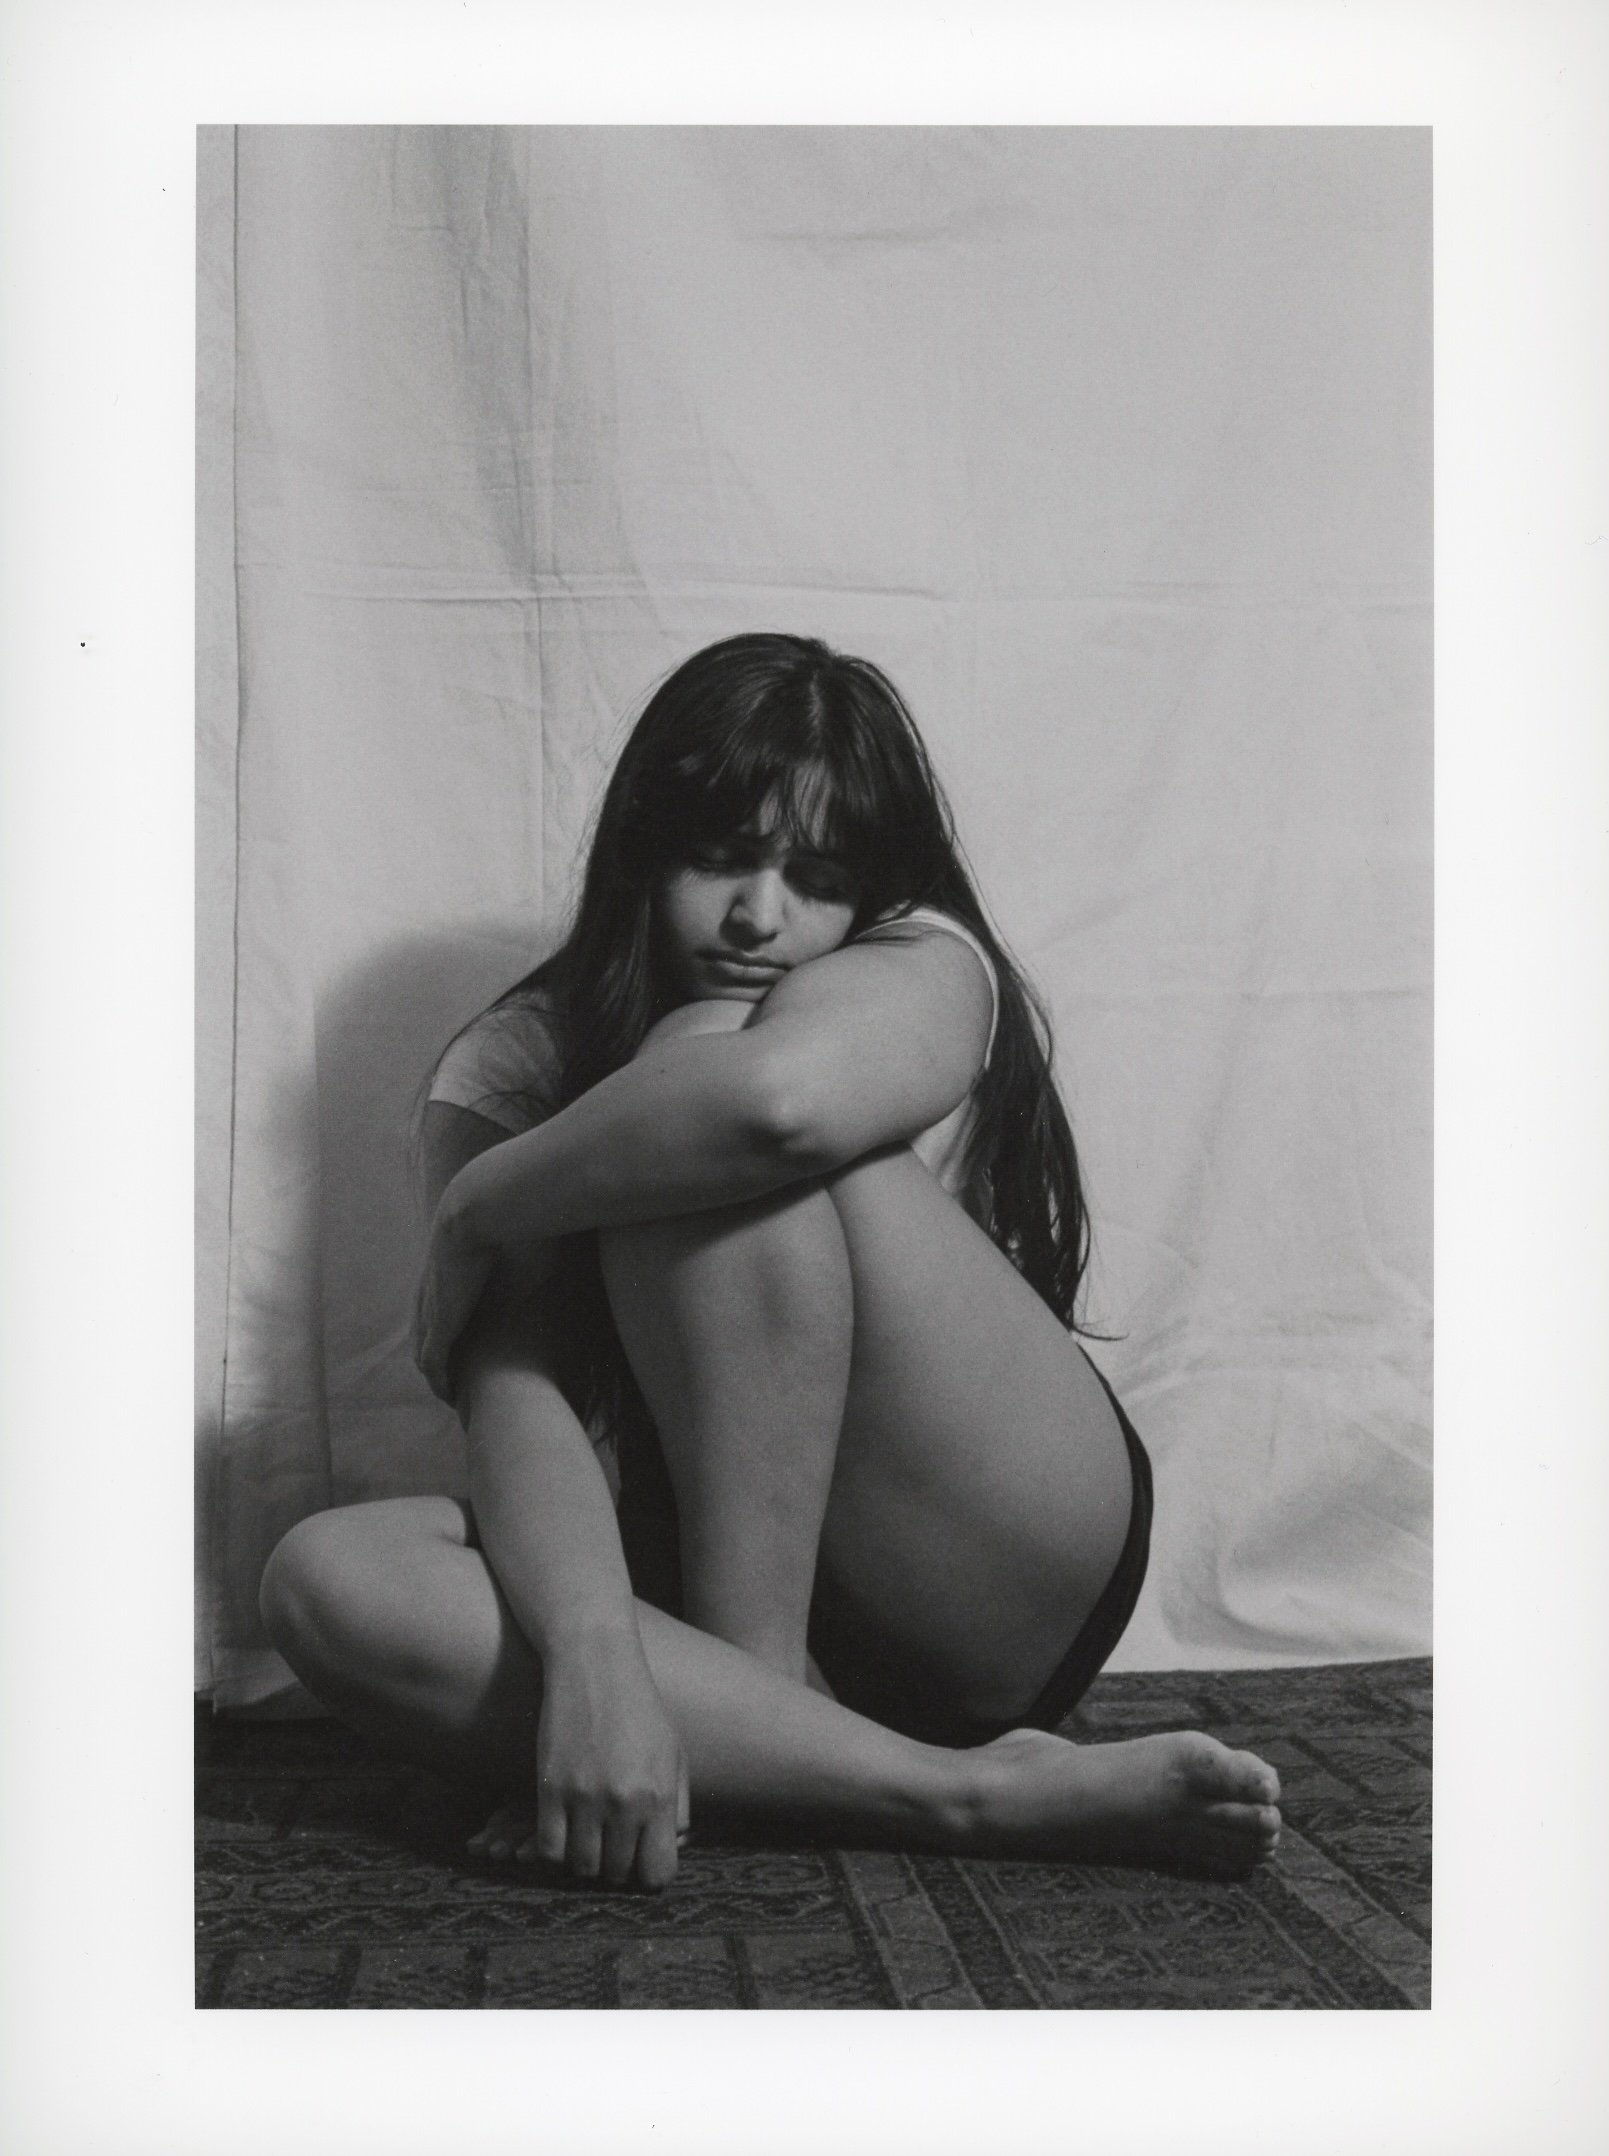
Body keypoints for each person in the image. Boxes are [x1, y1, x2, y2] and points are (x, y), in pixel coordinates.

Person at [260, 633, 1282, 1892]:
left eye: (815, 875)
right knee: (322, 1578)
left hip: (988, 1551)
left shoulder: (922, 961)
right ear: (644, 850)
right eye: (719, 857)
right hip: (695, 1573)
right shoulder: (513, 1059)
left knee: (690, 1079)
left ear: (874, 889)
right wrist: (594, 1659)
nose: (760, 916)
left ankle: (737, 1699)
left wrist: (481, 1204)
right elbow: (516, 1402)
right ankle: (958, 1788)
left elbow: (772, 1108)